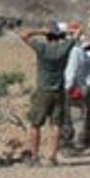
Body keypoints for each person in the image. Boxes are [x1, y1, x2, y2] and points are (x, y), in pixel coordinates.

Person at [20, 22, 75, 165]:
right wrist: (66, 32)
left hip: (43, 89)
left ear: (47, 37)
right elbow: (78, 32)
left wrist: (39, 31)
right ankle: (52, 156)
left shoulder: (42, 48)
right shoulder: (64, 48)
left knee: (35, 124)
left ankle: (34, 156)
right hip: (59, 90)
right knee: (56, 125)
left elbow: (23, 35)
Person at [63, 23, 90, 149]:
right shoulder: (80, 52)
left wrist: (68, 87)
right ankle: (77, 140)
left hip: (74, 88)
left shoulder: (74, 52)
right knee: (78, 116)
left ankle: (77, 143)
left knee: (75, 117)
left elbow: (71, 72)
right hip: (81, 86)